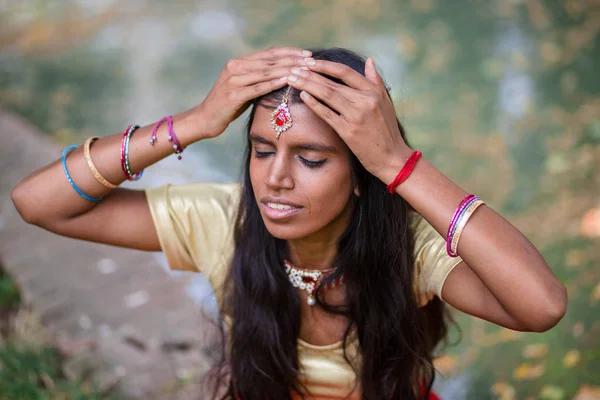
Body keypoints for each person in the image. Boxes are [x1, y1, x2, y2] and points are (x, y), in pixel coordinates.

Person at [11, 47, 567, 400]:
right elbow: (38, 203)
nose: (274, 178)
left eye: (311, 158)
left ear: (360, 173)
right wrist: (196, 123)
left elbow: (540, 307)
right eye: (260, 150)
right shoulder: (222, 220)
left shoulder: (409, 247)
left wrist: (399, 163)